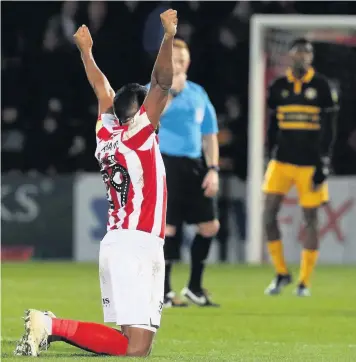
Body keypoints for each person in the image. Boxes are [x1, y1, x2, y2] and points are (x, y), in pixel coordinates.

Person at [14, 9, 177, 357]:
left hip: (117, 243)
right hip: (137, 245)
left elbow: (102, 90)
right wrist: (168, 37)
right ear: (141, 113)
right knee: (136, 348)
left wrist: (86, 52)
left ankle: (52, 328)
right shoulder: (138, 136)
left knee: (130, 343)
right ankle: (50, 325)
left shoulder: (107, 134)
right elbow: (162, 82)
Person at [263, 38, 338, 297]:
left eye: (307, 54)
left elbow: (329, 128)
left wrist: (324, 162)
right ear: (290, 55)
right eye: (298, 53)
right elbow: (273, 124)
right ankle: (282, 273)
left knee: (311, 221)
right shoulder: (278, 86)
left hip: (310, 164)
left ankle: (304, 282)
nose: (302, 58)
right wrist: (268, 152)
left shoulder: (322, 86)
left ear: (311, 58)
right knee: (268, 215)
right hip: (281, 161)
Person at [150, 39, 220, 307]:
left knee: (209, 226)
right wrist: (172, 93)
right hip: (164, 164)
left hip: (195, 165)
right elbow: (148, 120)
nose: (179, 64)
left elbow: (210, 135)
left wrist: (212, 169)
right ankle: (164, 292)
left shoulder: (198, 93)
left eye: (183, 60)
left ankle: (194, 287)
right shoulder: (154, 91)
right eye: (174, 59)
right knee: (167, 229)